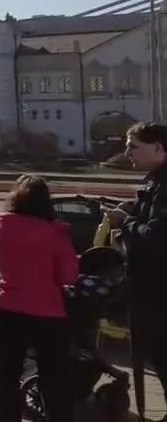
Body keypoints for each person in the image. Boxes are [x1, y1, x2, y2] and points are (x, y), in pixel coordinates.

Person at [0, 174, 77, 422]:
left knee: (6, 374)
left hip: (9, 307)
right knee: (54, 377)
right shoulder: (56, 233)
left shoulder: (0, 224)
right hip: (49, 312)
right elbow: (69, 276)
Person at [112, 122, 167, 409]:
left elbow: (156, 236)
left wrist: (126, 222)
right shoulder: (155, 181)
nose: (127, 153)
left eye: (133, 146)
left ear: (158, 148)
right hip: (150, 287)